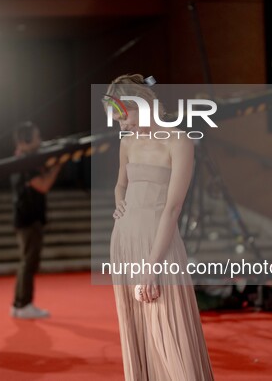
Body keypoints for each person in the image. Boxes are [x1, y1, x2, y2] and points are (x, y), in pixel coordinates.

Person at [105, 74, 214, 380]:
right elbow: (119, 185)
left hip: (159, 246)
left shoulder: (179, 141)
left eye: (125, 119)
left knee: (170, 333)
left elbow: (173, 207)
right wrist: (119, 203)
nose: (123, 127)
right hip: (124, 241)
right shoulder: (127, 143)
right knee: (138, 331)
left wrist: (151, 266)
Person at [10, 122, 63, 319]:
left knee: (27, 262)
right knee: (29, 262)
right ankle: (24, 304)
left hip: (27, 216)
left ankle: (19, 303)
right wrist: (58, 166)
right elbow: (43, 185)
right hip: (28, 218)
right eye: (36, 137)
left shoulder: (23, 159)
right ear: (25, 141)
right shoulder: (25, 162)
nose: (40, 141)